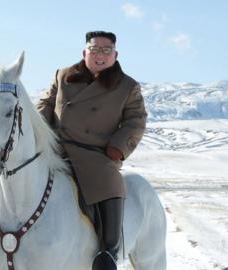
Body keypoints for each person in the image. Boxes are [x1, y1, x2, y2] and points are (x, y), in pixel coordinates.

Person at [37, 31, 147, 270]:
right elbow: (46, 102)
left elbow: (136, 120)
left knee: (109, 182)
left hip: (96, 153)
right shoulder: (63, 75)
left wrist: (117, 149)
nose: (100, 55)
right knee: (19, 174)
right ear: (84, 52)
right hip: (56, 147)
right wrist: (38, 125)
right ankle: (2, 246)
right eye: (95, 49)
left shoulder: (127, 86)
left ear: (115, 55)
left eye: (106, 50)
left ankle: (108, 252)